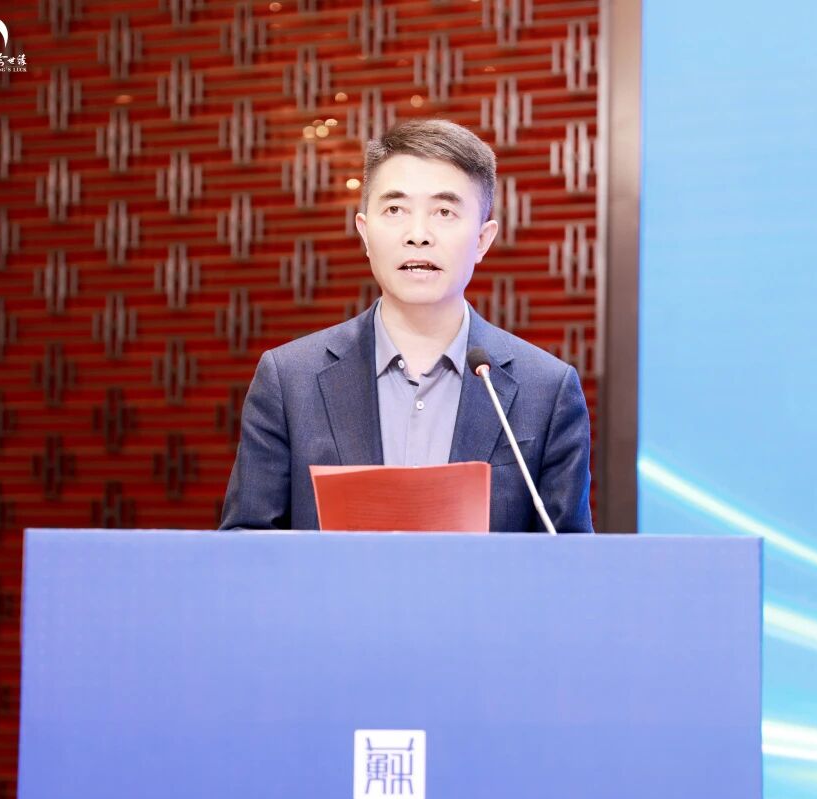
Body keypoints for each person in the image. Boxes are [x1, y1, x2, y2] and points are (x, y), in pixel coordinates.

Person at [219, 119, 592, 532]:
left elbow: (569, 558)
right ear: (365, 233)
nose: (418, 235)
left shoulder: (548, 390)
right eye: (395, 210)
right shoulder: (290, 380)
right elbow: (245, 546)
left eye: (444, 212)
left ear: (482, 240)